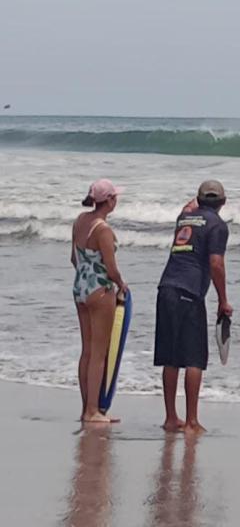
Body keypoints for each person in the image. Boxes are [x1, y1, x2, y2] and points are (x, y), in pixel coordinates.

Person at [154, 180, 233, 434]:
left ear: (199, 200)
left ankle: (170, 418)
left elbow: (188, 207)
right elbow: (216, 264)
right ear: (223, 202)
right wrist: (223, 300)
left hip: (166, 288)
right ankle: (191, 422)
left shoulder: (184, 218)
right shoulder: (217, 225)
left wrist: (194, 203)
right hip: (189, 293)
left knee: (170, 357)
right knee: (194, 358)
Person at [71, 179, 128, 423]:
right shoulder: (103, 229)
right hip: (99, 290)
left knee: (86, 351)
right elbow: (111, 269)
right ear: (110, 201)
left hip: (80, 286)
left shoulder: (80, 221)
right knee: (99, 353)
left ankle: (86, 408)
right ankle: (93, 411)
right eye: (115, 196)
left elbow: (73, 258)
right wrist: (121, 284)